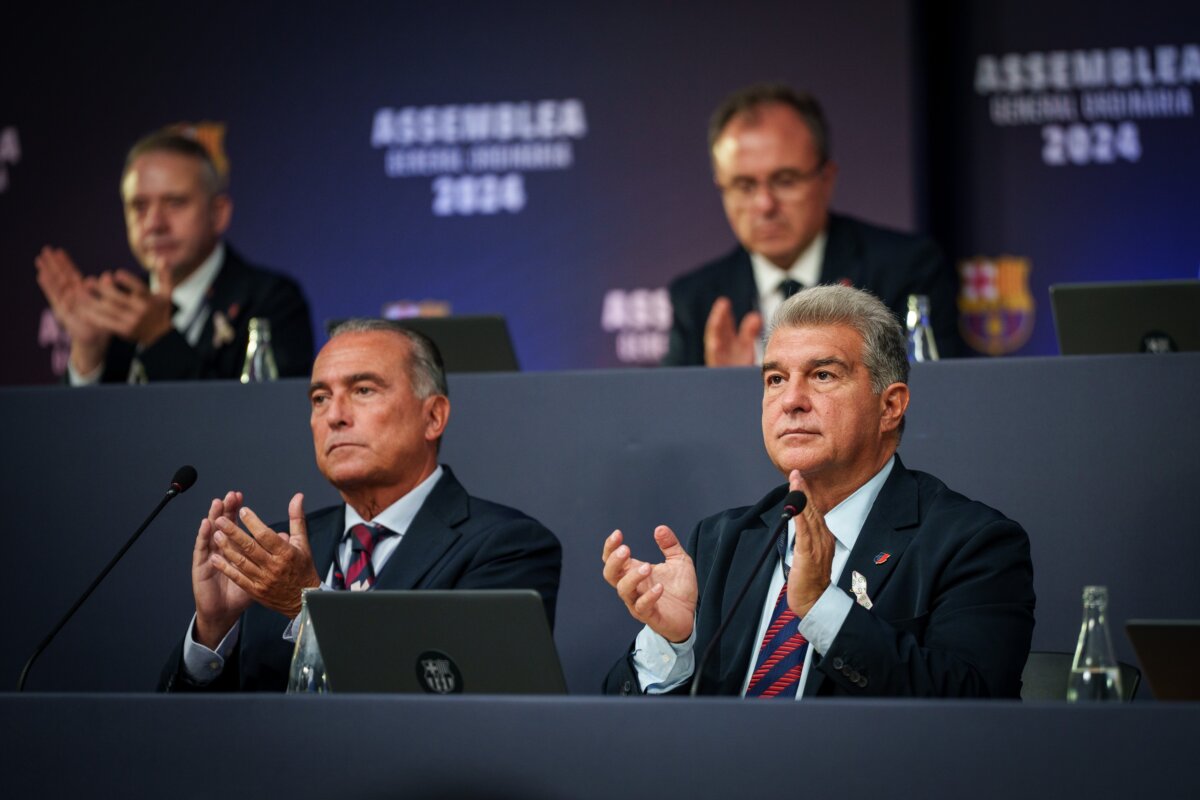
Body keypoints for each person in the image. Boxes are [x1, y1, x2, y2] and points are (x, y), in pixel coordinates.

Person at [604, 285, 1033, 698]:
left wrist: (820, 607)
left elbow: (973, 708)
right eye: (775, 379)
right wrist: (672, 642)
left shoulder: (972, 544)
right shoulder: (721, 542)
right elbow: (631, 734)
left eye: (823, 374)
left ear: (890, 406)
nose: (791, 400)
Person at [159, 320, 561, 691]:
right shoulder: (273, 554)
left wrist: (303, 605)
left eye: (363, 390)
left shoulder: (508, 547)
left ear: (433, 416)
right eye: (320, 397)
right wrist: (213, 632)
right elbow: (189, 742)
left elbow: (471, 702)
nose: (334, 415)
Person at [662, 84, 960, 367]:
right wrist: (721, 391)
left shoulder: (905, 269)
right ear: (722, 189)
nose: (765, 204)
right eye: (744, 185)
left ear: (826, 179)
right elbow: (671, 414)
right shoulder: (695, 299)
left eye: (785, 181)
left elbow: (934, 400)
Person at [35, 130, 313, 383]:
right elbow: (84, 434)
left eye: (175, 203)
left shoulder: (273, 302)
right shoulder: (115, 309)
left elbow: (258, 424)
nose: (154, 224)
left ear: (218, 213)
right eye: (139, 206)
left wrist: (159, 338)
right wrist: (87, 355)